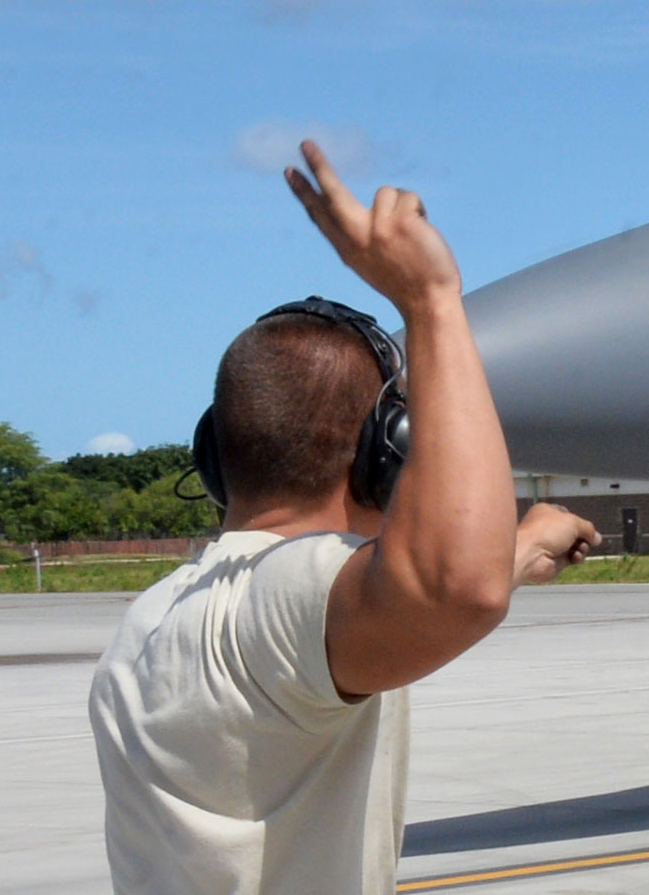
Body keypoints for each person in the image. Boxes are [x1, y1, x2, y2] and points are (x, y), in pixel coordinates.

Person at [88, 140, 600, 893]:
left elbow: (382, 601)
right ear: (382, 455)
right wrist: (431, 303)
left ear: (215, 456)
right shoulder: (279, 609)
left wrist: (524, 544)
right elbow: (451, 587)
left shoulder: (154, 622)